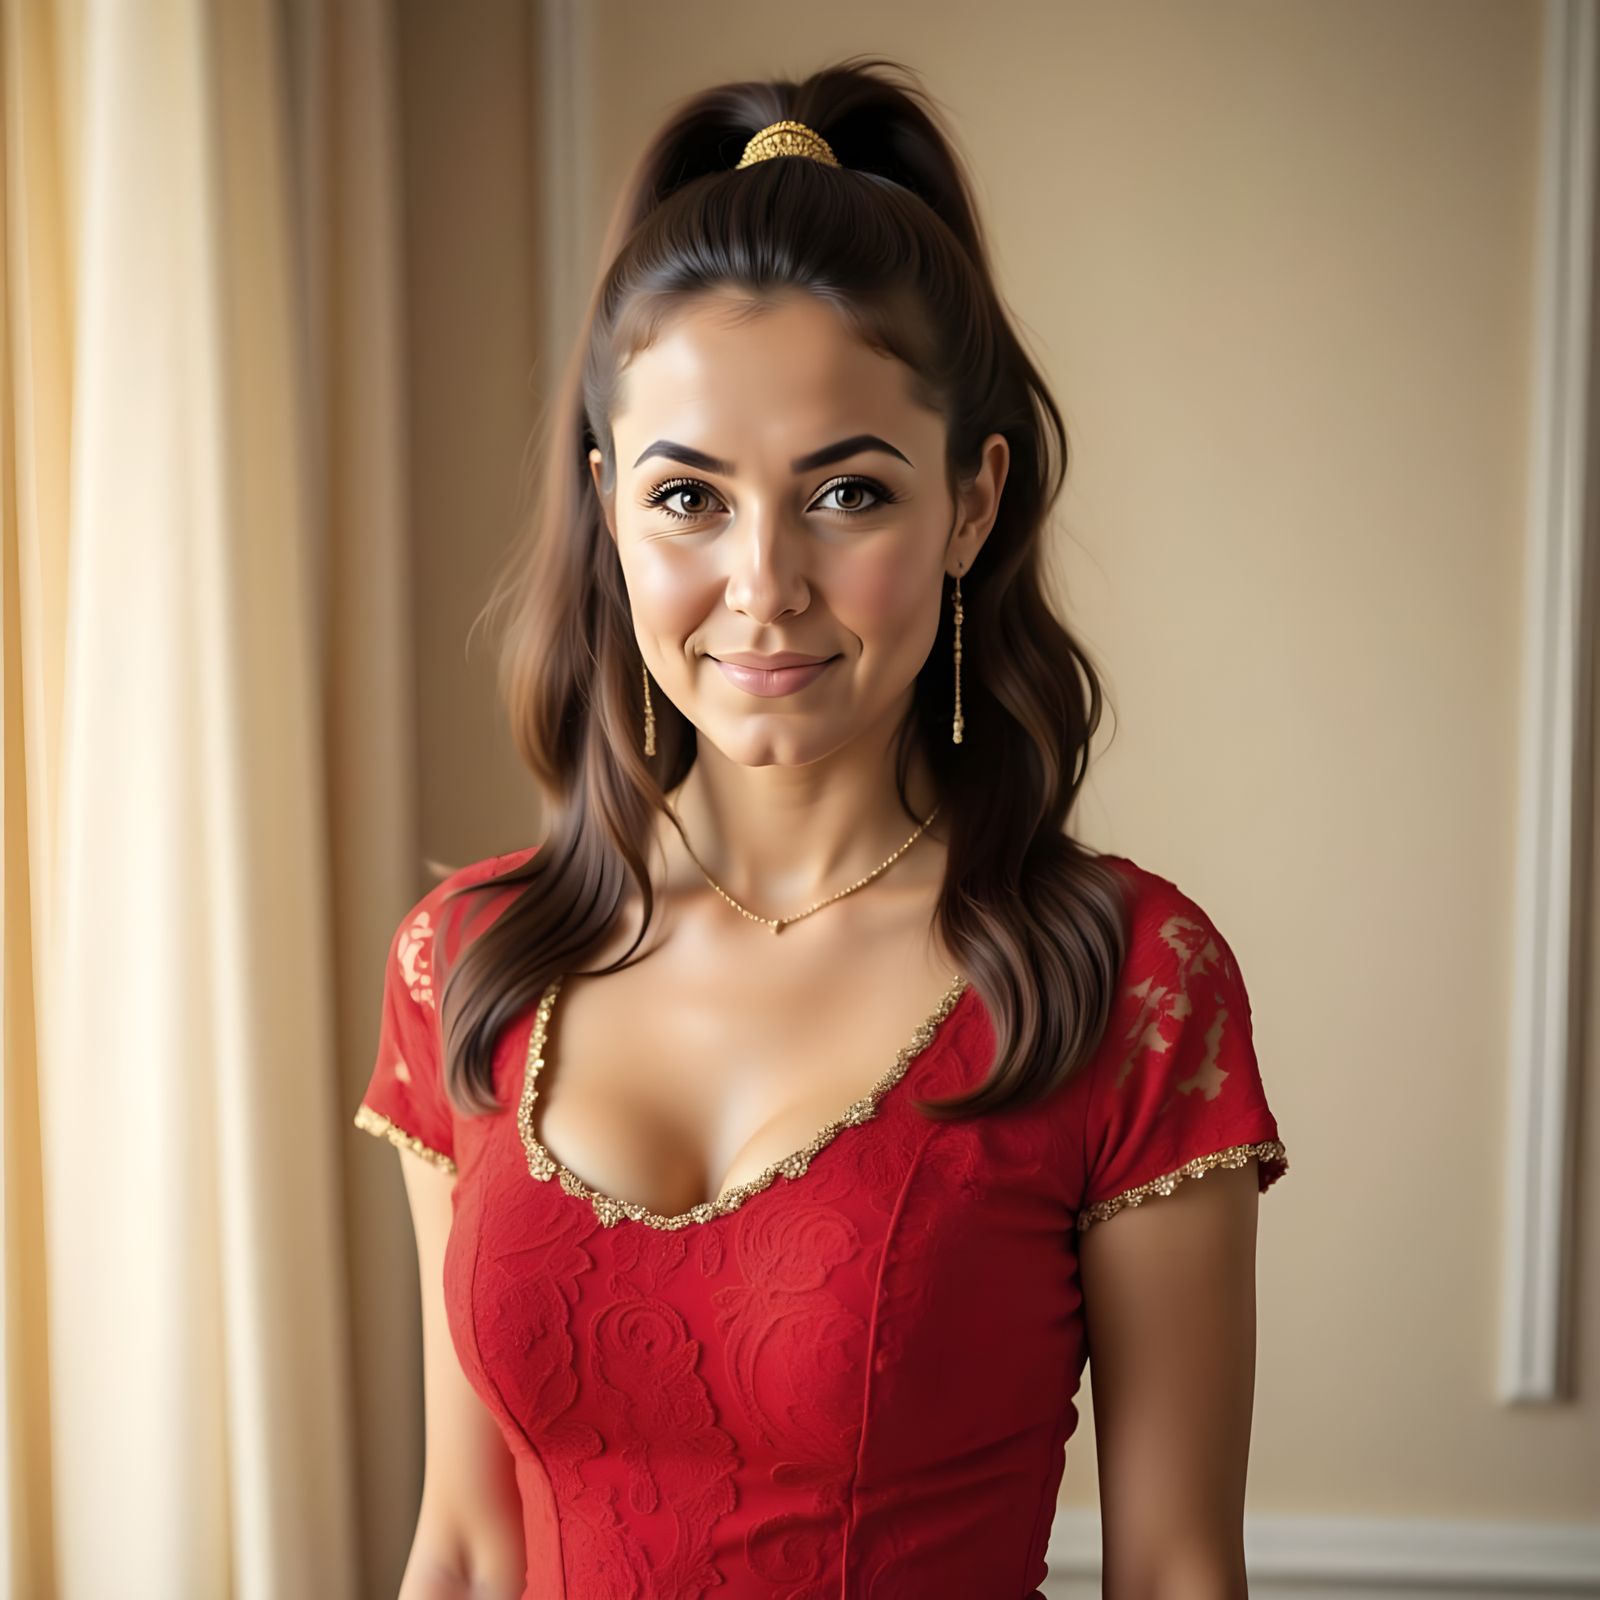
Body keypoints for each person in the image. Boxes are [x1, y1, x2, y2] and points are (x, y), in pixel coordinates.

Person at [353, 56, 1289, 1600]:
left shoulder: (1127, 984)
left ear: (972, 506)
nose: (764, 582)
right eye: (689, 498)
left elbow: (1179, 1570)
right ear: (607, 507)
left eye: (847, 495)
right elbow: (461, 1542)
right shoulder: (467, 960)